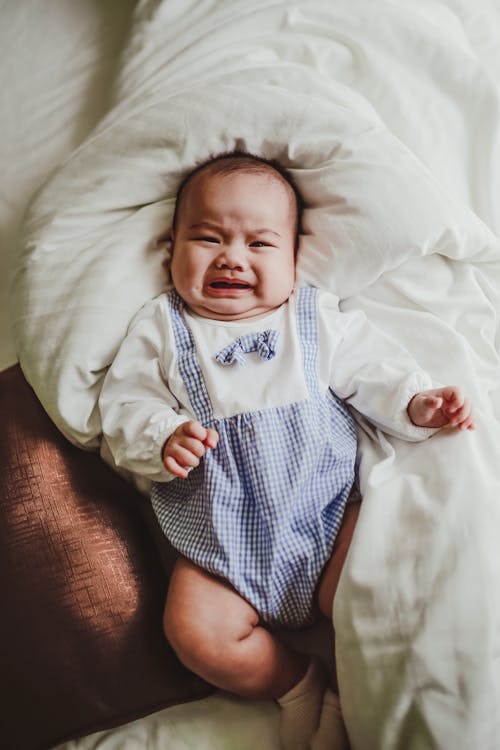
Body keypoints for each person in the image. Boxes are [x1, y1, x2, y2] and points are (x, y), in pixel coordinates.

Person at [99, 151, 475, 750]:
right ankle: (298, 683)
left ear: (295, 259)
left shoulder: (311, 317)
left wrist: (416, 405)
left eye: (260, 244)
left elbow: (371, 369)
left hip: (327, 524)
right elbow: (123, 406)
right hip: (221, 549)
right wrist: (161, 435)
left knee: (367, 592)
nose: (232, 257)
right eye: (208, 237)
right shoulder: (161, 328)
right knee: (194, 633)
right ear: (172, 247)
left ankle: (369, 687)